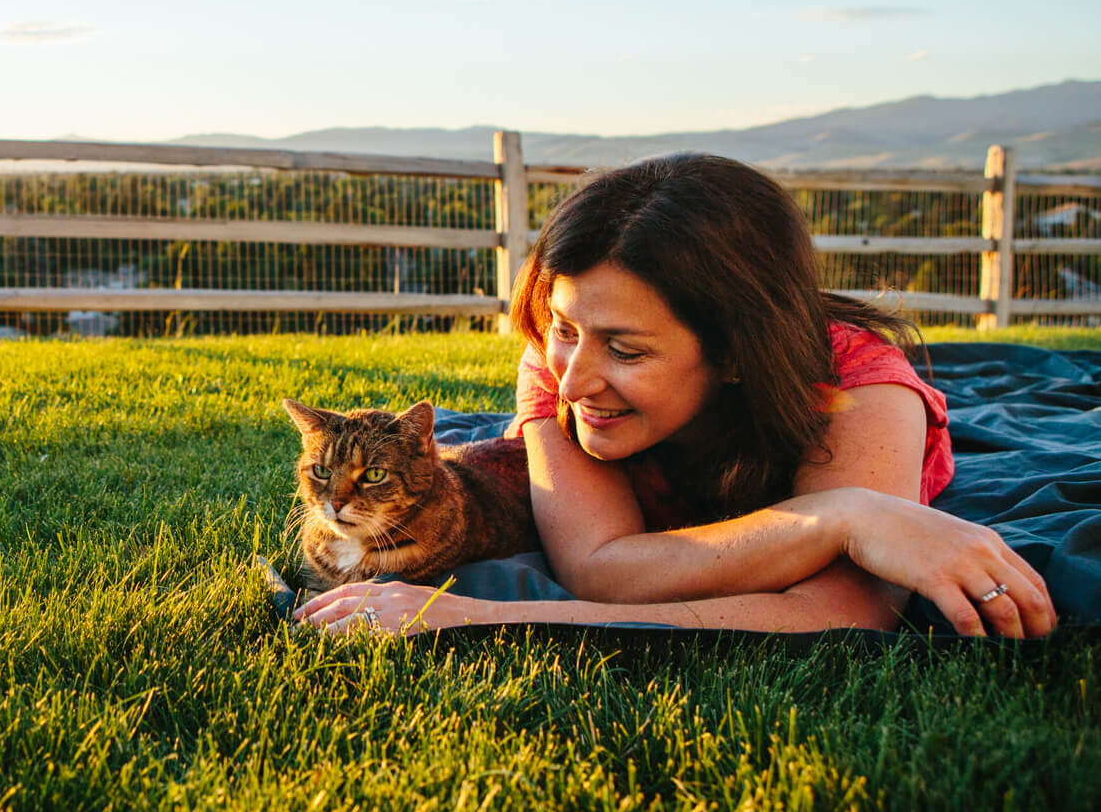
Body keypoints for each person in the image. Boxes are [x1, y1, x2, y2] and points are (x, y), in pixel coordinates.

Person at [296, 153, 1057, 640]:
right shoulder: (561, 367)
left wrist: (487, 614)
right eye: (564, 328)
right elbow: (599, 568)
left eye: (625, 349)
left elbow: (844, 614)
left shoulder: (858, 388)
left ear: (733, 352)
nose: (572, 379)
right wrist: (842, 517)